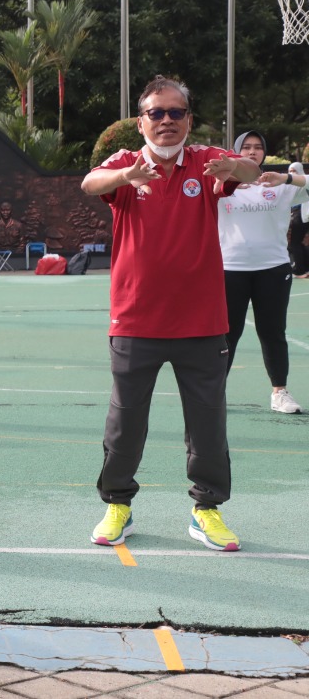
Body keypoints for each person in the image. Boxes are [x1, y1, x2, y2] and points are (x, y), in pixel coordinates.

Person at [81, 75, 260, 553]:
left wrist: (236, 167)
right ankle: (118, 504)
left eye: (175, 112)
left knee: (207, 422)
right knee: (126, 420)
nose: (165, 121)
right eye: (156, 113)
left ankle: (207, 511)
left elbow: (248, 174)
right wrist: (126, 177)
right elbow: (89, 182)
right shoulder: (127, 162)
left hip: (202, 321)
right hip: (135, 319)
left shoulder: (205, 161)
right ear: (141, 121)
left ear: (188, 119)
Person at [218, 131, 308, 414]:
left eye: (258, 147)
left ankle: (279, 392)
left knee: (272, 332)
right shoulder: (221, 186)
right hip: (229, 269)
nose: (252, 152)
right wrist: (227, 181)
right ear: (235, 152)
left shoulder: (278, 183)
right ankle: (214, 392)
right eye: (246, 147)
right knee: (226, 334)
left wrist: (287, 178)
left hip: (273, 269)